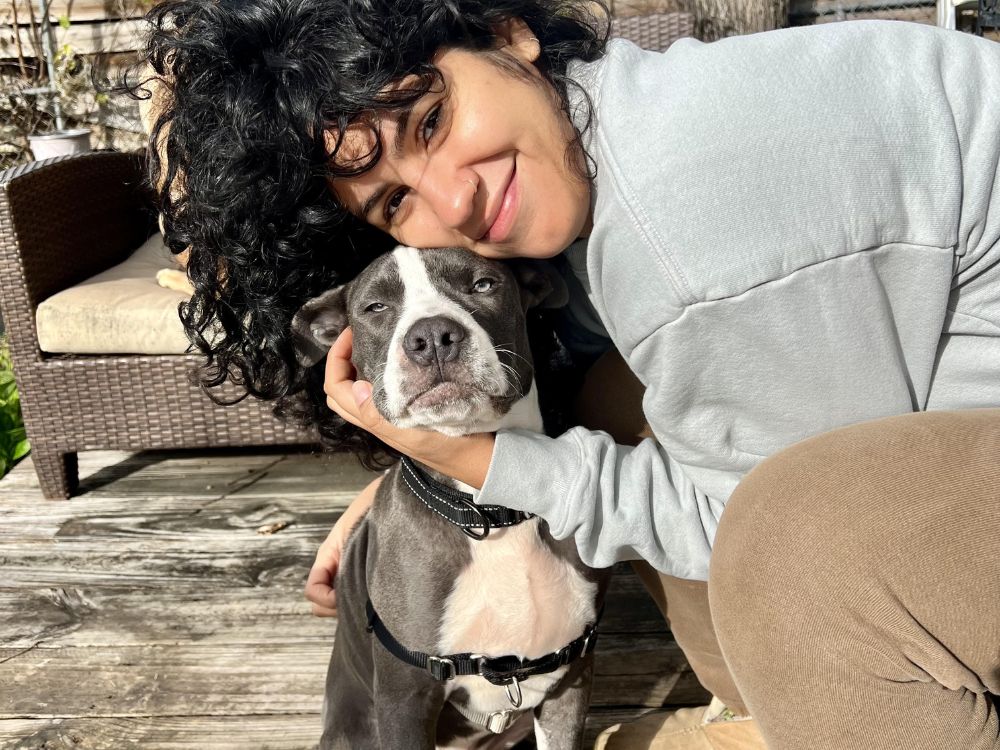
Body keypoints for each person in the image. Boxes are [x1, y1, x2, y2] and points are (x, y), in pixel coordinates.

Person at [138, 1, 1000, 747]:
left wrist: (484, 467)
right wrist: (421, 472)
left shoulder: (686, 217)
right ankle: (779, 703)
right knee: (610, 394)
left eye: (431, 122)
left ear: (510, 36)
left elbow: (737, 519)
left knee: (792, 553)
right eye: (395, 204)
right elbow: (591, 360)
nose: (453, 204)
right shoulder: (619, 133)